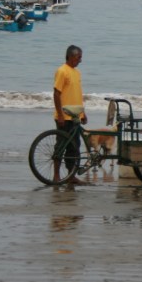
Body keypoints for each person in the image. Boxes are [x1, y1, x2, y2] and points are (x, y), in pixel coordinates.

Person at [53, 45, 86, 184]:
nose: (80, 60)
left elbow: (77, 95)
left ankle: (71, 175)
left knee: (74, 148)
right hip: (64, 117)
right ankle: (56, 175)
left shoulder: (77, 73)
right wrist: (60, 114)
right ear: (71, 56)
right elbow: (56, 93)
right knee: (61, 146)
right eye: (79, 57)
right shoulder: (62, 71)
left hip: (75, 117)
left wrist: (83, 113)